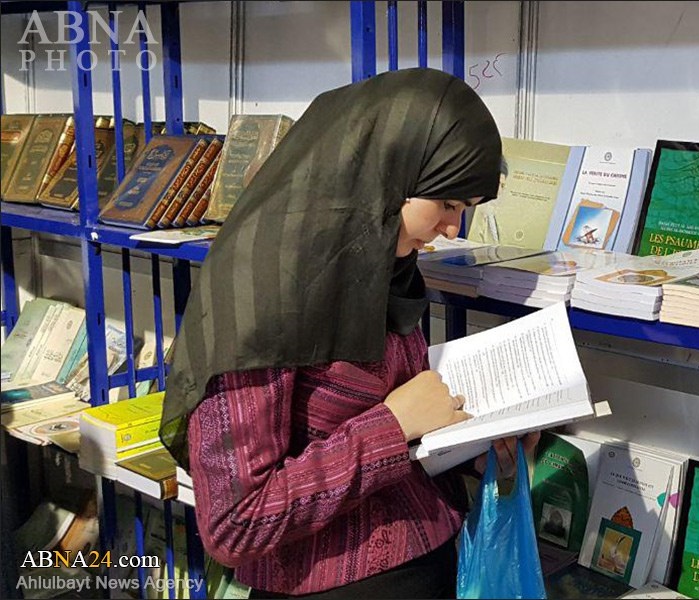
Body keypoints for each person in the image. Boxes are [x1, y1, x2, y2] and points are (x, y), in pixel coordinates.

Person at [159, 68, 538, 599]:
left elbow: (394, 425)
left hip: (429, 559)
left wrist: (471, 441)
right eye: (447, 205)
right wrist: (393, 426)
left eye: (465, 210)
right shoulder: (261, 295)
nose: (453, 229)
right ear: (388, 176)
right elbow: (236, 523)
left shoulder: (383, 269)